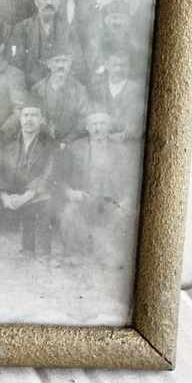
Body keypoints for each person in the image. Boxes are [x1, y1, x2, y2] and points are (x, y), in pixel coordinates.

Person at [0, 96, 58, 265]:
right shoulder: (5, 141)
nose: (29, 119)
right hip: (7, 192)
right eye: (26, 115)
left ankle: (42, 254)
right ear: (19, 118)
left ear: (42, 120)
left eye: (34, 115)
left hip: (33, 193)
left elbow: (49, 174)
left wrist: (27, 195)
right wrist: (4, 195)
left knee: (47, 200)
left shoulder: (50, 144)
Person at [57, 107, 143, 267]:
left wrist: (127, 200)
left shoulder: (121, 150)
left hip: (112, 200)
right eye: (94, 124)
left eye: (102, 124)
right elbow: (60, 177)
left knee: (123, 215)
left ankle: (108, 254)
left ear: (109, 127)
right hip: (84, 197)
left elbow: (131, 179)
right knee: (69, 212)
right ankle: (75, 253)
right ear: (87, 127)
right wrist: (70, 192)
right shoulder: (74, 148)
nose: (98, 128)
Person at [8, 0, 83, 88]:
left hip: (60, 87)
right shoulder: (22, 28)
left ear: (59, 1)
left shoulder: (68, 29)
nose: (49, 2)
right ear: (36, 1)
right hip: (30, 86)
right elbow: (15, 64)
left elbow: (77, 62)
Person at [31, 48, 88, 145]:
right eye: (56, 61)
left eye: (65, 61)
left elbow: (84, 119)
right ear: (48, 64)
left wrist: (67, 140)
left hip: (70, 143)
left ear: (70, 64)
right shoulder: (37, 89)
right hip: (42, 142)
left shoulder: (79, 90)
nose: (60, 65)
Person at [90, 47, 147, 141]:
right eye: (114, 65)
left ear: (129, 66)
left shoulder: (136, 90)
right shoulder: (99, 89)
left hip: (127, 141)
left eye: (123, 65)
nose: (118, 69)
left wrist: (124, 135)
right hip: (101, 139)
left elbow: (137, 123)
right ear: (107, 65)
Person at [58, 0, 102, 75]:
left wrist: (88, 67)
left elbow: (94, 39)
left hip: (80, 66)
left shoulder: (91, 4)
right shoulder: (52, 0)